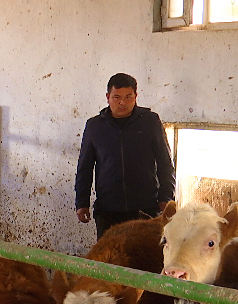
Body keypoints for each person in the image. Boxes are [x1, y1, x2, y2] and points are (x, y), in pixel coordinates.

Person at [74, 73, 175, 239]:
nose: (122, 102)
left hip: (145, 209)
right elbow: (84, 167)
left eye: (128, 97)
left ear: (136, 96)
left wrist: (166, 196)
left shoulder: (150, 121)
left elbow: (165, 162)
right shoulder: (95, 126)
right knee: (110, 259)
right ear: (108, 97)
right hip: (108, 211)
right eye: (117, 97)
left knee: (145, 260)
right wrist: (81, 202)